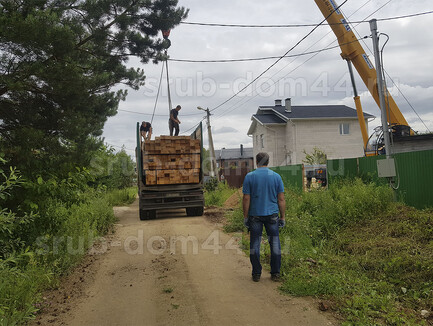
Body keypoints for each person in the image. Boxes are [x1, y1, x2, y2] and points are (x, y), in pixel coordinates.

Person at [242, 152, 286, 282]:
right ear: (268, 161)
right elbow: (281, 199)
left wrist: (245, 217)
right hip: (272, 215)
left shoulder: (250, 176)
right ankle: (275, 273)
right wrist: (282, 217)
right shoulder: (276, 177)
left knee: (255, 244)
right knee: (275, 243)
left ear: (256, 161)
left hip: (255, 215)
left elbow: (246, 198)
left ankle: (256, 273)